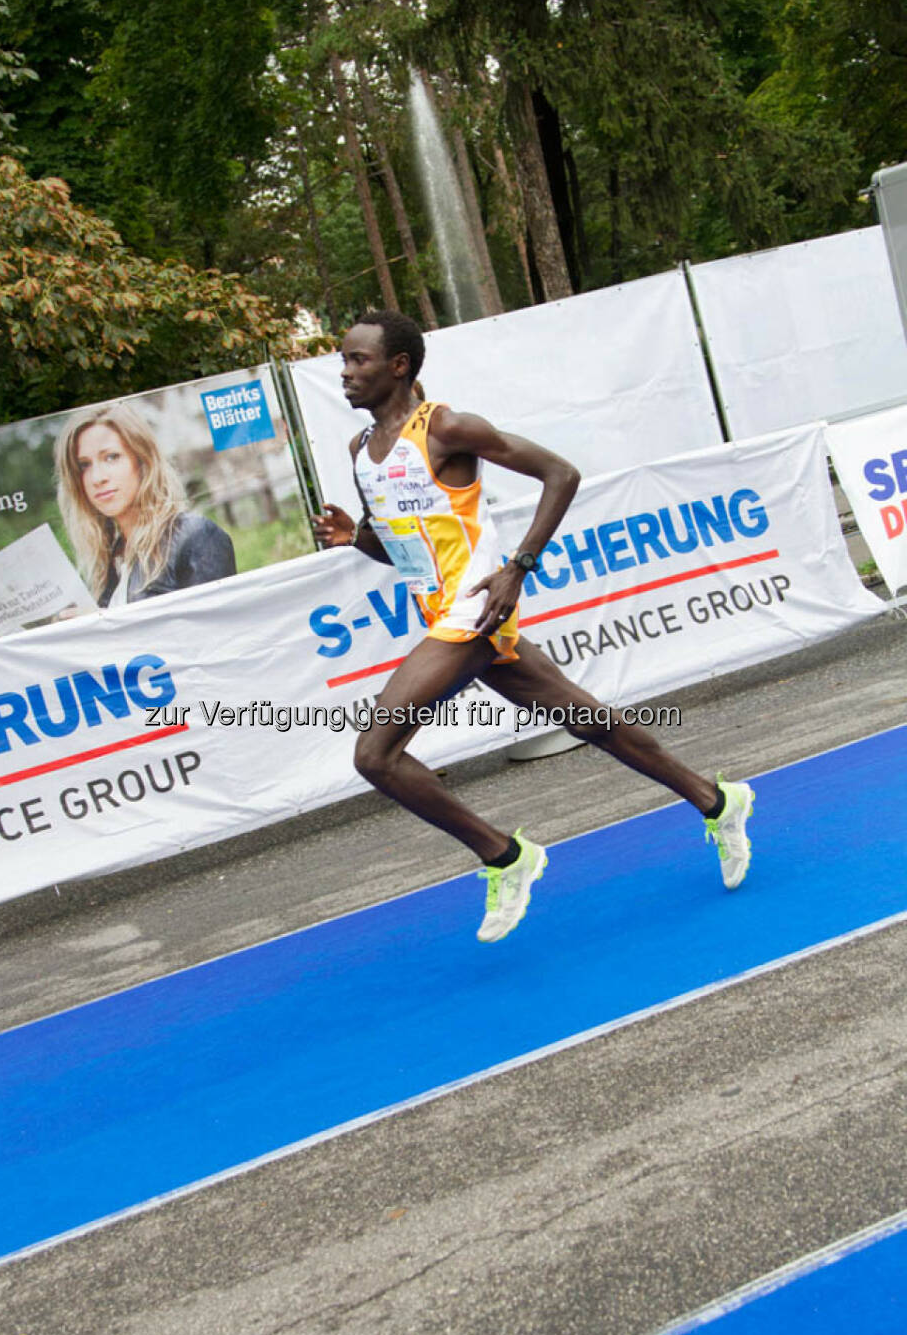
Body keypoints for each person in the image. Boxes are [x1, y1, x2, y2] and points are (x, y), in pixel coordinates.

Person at [313, 310, 755, 943]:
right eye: (344, 361)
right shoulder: (361, 452)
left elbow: (561, 473)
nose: (346, 372)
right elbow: (400, 548)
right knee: (591, 721)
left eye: (358, 360)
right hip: (442, 614)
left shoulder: (446, 427)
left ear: (399, 366)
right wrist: (353, 539)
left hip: (476, 610)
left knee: (374, 755)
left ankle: (505, 857)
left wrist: (517, 567)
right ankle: (718, 801)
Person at [55, 403, 236, 608]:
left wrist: (105, 627)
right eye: (84, 465)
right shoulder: (111, 561)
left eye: (111, 457)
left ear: (141, 461)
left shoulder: (195, 536)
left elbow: (214, 633)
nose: (97, 478)